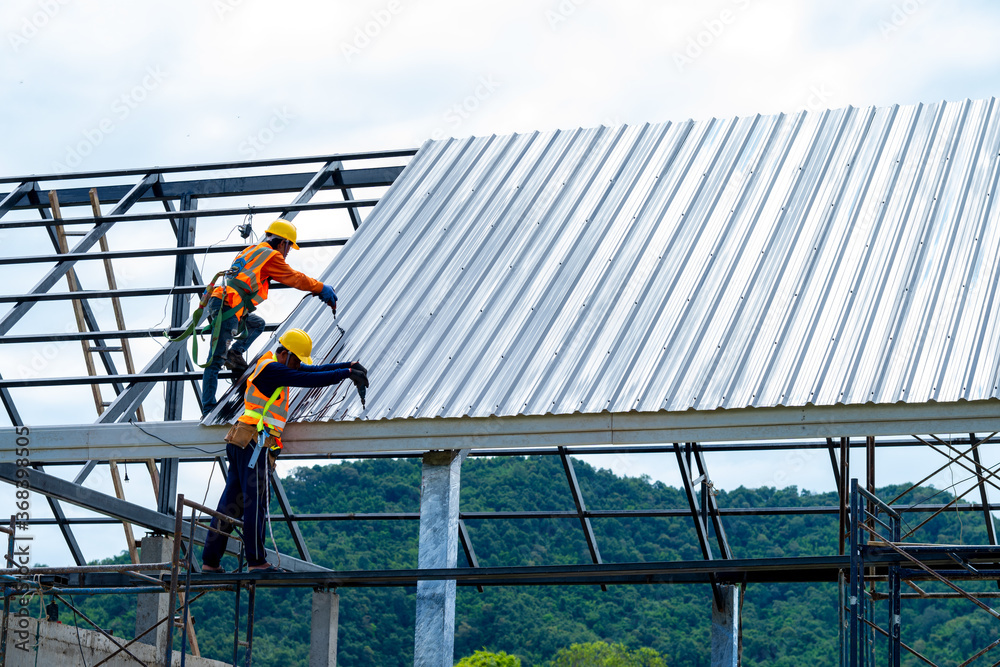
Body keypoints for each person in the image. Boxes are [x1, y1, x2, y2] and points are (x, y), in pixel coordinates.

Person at [201, 328, 368, 573]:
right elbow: (308, 378)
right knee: (255, 503)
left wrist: (348, 367)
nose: (298, 365)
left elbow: (311, 371)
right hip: (253, 445)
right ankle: (257, 561)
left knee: (230, 505)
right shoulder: (271, 369)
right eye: (296, 360)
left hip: (242, 441)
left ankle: (210, 562)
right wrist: (346, 374)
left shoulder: (273, 366)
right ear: (285, 353)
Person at [200, 218, 338, 416]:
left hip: (226, 304)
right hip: (229, 305)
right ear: (283, 243)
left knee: (257, 324)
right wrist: (320, 287)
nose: (287, 253)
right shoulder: (271, 256)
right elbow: (295, 278)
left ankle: (235, 353)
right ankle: (208, 409)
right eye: (289, 247)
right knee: (215, 359)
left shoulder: (253, 250)